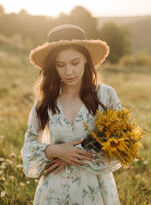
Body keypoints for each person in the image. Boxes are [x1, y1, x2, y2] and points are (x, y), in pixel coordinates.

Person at [22, 24, 122, 205]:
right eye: (61, 65)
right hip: (55, 192)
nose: (69, 72)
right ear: (54, 66)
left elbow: (122, 143)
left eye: (75, 63)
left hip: (95, 190)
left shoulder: (106, 95)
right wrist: (53, 150)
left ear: (85, 59)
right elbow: (29, 146)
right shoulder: (45, 101)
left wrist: (71, 156)